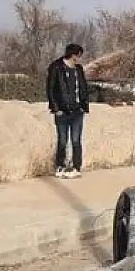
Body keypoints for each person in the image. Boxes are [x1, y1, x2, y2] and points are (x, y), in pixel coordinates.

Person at [46, 43, 90, 179]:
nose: (80, 58)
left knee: (76, 140)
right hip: (62, 112)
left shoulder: (79, 69)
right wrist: (55, 108)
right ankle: (60, 166)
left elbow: (84, 88)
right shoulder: (56, 67)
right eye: (79, 55)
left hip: (77, 111)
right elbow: (50, 89)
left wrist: (84, 105)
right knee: (63, 140)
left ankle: (76, 167)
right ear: (73, 54)